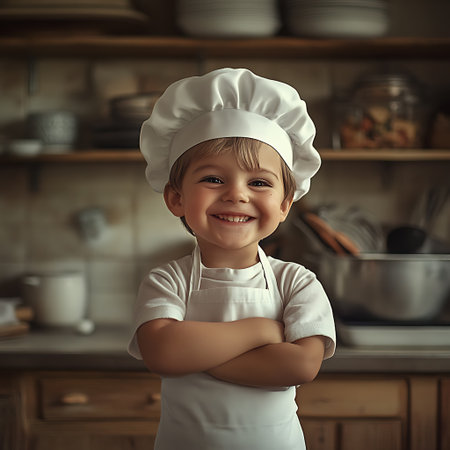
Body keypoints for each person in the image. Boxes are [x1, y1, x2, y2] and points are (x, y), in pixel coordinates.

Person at [128, 68, 336, 450]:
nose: (236, 195)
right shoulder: (165, 281)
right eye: (213, 179)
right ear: (176, 198)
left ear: (285, 204)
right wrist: (262, 332)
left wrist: (192, 355)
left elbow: (301, 366)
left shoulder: (298, 282)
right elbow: (162, 353)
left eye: (258, 182)